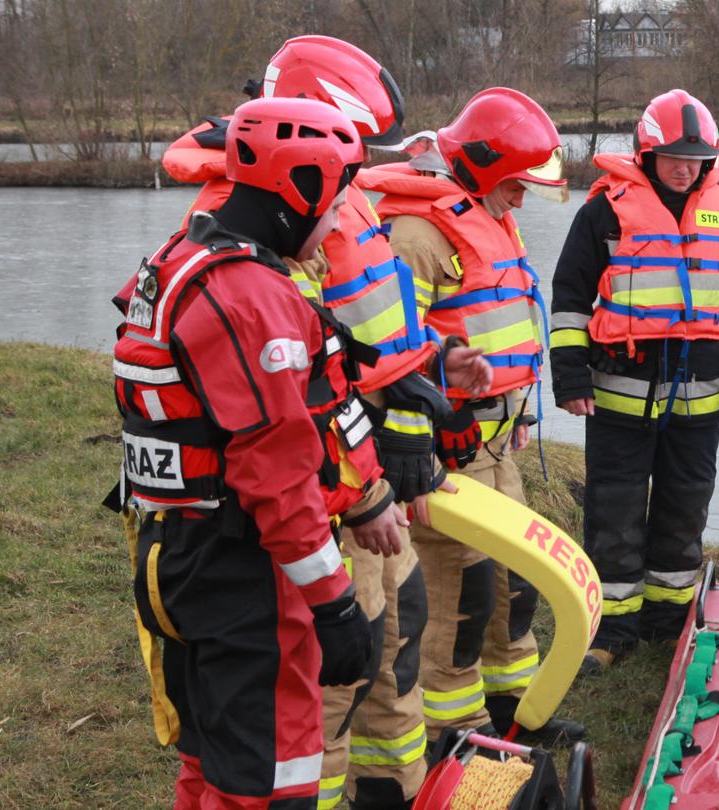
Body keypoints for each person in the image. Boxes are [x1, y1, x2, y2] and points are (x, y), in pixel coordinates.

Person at [160, 35, 489, 810]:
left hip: (359, 469)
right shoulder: (243, 237)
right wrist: (362, 491)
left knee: (391, 645)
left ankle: (391, 789)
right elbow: (282, 404)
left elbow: (357, 334)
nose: (351, 181)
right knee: (325, 677)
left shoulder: (337, 201)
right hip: (314, 501)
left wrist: (437, 365)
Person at [113, 97, 375, 809]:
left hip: (174, 549)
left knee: (210, 759)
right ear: (306, 187)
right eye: (341, 194)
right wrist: (335, 604)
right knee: (268, 781)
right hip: (244, 568)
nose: (340, 220)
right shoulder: (250, 294)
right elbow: (276, 474)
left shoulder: (179, 258)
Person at [358, 87, 583, 744]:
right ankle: (452, 726)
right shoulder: (419, 234)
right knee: (460, 589)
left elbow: (501, 321)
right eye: (516, 183)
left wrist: (518, 414)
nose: (522, 197)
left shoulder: (487, 214)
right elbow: (394, 349)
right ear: (486, 167)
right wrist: (430, 423)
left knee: (513, 586)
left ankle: (517, 705)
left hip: (496, 435)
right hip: (442, 446)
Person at [546, 89, 719, 672]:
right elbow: (570, 300)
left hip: (699, 401)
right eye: (674, 154)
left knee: (685, 506)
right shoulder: (602, 212)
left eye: (696, 156)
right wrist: (569, 377)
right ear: (647, 152)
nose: (685, 166)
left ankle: (669, 623)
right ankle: (614, 630)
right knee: (614, 511)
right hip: (618, 397)